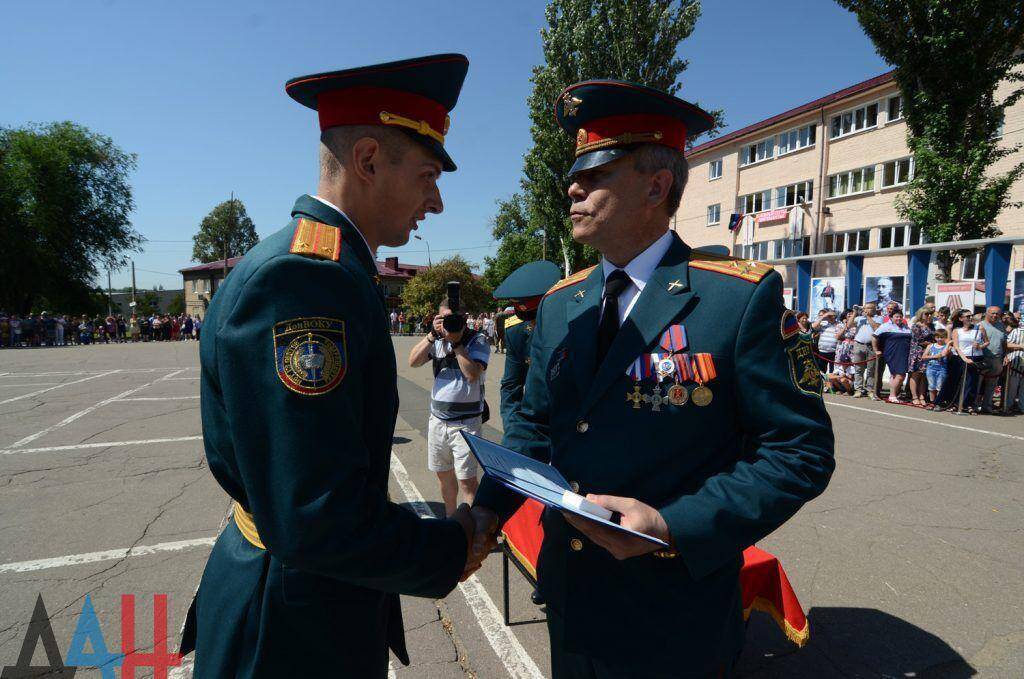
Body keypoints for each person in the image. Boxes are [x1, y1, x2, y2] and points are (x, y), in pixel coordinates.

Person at [472, 79, 835, 678]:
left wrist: (674, 525)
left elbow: (800, 453)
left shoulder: (736, 298)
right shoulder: (561, 303)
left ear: (656, 184)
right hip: (572, 594)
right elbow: (533, 429)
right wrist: (486, 515)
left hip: (675, 607)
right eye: (574, 174)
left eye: (596, 173)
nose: (573, 188)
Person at [181, 55, 496, 679]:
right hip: (291, 624)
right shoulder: (305, 279)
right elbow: (314, 517)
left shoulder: (336, 270)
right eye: (429, 175)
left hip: (311, 598)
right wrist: (450, 542)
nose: (435, 201)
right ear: (369, 160)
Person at [408, 300, 490, 516]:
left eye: (456, 318)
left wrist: (456, 343)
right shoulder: (436, 341)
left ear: (465, 318)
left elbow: (473, 374)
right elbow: (413, 362)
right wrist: (431, 336)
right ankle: (452, 520)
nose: (451, 323)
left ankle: (470, 532)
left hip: (466, 423)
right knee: (443, 474)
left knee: (467, 481)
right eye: (445, 318)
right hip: (438, 421)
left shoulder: (477, 340)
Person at [950, 310, 987, 413]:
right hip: (962, 357)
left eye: (971, 316)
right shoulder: (957, 330)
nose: (970, 318)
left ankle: (968, 404)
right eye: (967, 316)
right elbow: (956, 346)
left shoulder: (979, 328)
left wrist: (980, 346)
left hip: (976, 357)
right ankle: (957, 403)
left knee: (972, 383)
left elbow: (986, 342)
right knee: (960, 382)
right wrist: (965, 358)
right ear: (961, 319)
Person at [873, 309, 912, 403]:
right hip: (892, 353)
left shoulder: (906, 327)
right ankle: (892, 395)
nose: (899, 318)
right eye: (896, 316)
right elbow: (874, 337)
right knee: (900, 375)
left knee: (895, 375)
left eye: (900, 316)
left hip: (904, 353)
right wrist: (876, 350)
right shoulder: (885, 326)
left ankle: (894, 395)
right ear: (891, 317)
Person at [977, 306, 1006, 413]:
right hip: (982, 358)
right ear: (987, 313)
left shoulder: (1001, 326)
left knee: (992, 384)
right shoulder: (979, 326)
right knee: (978, 383)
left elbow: (1003, 343)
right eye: (992, 313)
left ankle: (987, 406)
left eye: (997, 314)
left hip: (997, 358)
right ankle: (974, 405)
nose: (995, 315)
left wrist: (1005, 355)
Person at [851, 302, 881, 398]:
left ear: (874, 309)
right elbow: (849, 325)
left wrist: (868, 317)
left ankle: (870, 390)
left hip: (872, 346)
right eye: (865, 308)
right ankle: (858, 390)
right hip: (859, 344)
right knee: (859, 369)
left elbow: (876, 327)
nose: (866, 310)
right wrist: (855, 313)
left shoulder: (878, 318)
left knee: (871, 370)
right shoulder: (859, 319)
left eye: (869, 308)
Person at [907, 307, 936, 406]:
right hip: (917, 352)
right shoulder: (916, 326)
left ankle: (922, 396)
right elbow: (919, 340)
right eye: (926, 314)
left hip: (928, 352)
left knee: (924, 375)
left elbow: (935, 338)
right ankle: (914, 396)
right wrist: (930, 344)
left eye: (930, 314)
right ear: (921, 315)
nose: (929, 316)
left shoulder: (932, 326)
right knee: (916, 374)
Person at [922, 329, 951, 409]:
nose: (940, 339)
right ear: (935, 337)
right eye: (938, 337)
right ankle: (932, 402)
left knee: (939, 386)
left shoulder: (947, 347)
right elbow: (924, 356)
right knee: (931, 386)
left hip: (942, 368)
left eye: (942, 337)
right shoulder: (930, 346)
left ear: (945, 338)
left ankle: (938, 402)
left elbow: (944, 354)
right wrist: (934, 356)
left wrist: (948, 344)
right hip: (931, 368)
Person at [1004, 315, 1023, 413]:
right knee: (1012, 387)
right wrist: (1021, 346)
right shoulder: (1017, 331)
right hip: (1016, 363)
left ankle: (1021, 407)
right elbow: (1007, 344)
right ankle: (1007, 406)